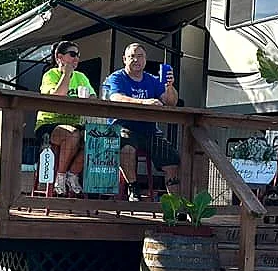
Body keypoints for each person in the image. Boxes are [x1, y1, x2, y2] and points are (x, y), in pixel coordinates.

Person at [102, 43, 180, 196]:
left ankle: (174, 203)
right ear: (124, 59)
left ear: (145, 59)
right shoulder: (116, 77)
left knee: (172, 159)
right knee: (126, 148)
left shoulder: (153, 80)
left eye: (140, 56)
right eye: (132, 56)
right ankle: (134, 188)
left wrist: (170, 86)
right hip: (123, 127)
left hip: (150, 131)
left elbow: (171, 102)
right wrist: (144, 102)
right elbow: (116, 97)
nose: (136, 60)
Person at [35, 40, 94, 195]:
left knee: (95, 138)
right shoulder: (50, 75)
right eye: (72, 54)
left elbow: (93, 97)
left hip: (75, 123)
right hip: (49, 123)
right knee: (72, 134)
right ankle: (60, 177)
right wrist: (66, 74)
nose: (76, 59)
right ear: (59, 57)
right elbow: (56, 97)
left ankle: (72, 174)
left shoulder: (81, 77)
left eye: (78, 55)